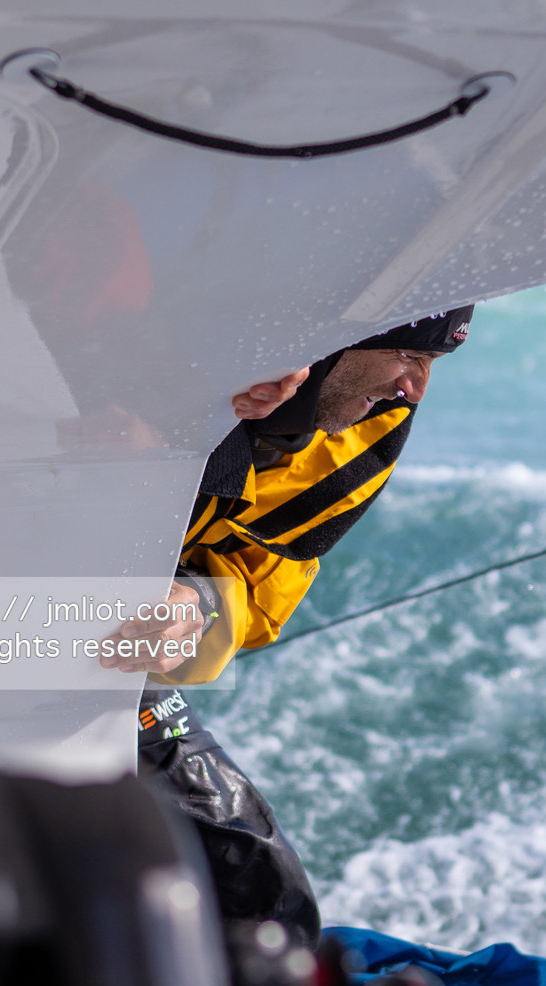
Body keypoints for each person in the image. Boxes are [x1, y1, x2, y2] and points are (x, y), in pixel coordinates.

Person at [100, 307, 474, 947]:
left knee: (270, 907)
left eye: (432, 365)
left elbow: (261, 591)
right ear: (336, 336)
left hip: (109, 660)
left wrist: (195, 601)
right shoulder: (161, 355)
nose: (412, 388)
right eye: (409, 358)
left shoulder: (361, 431)